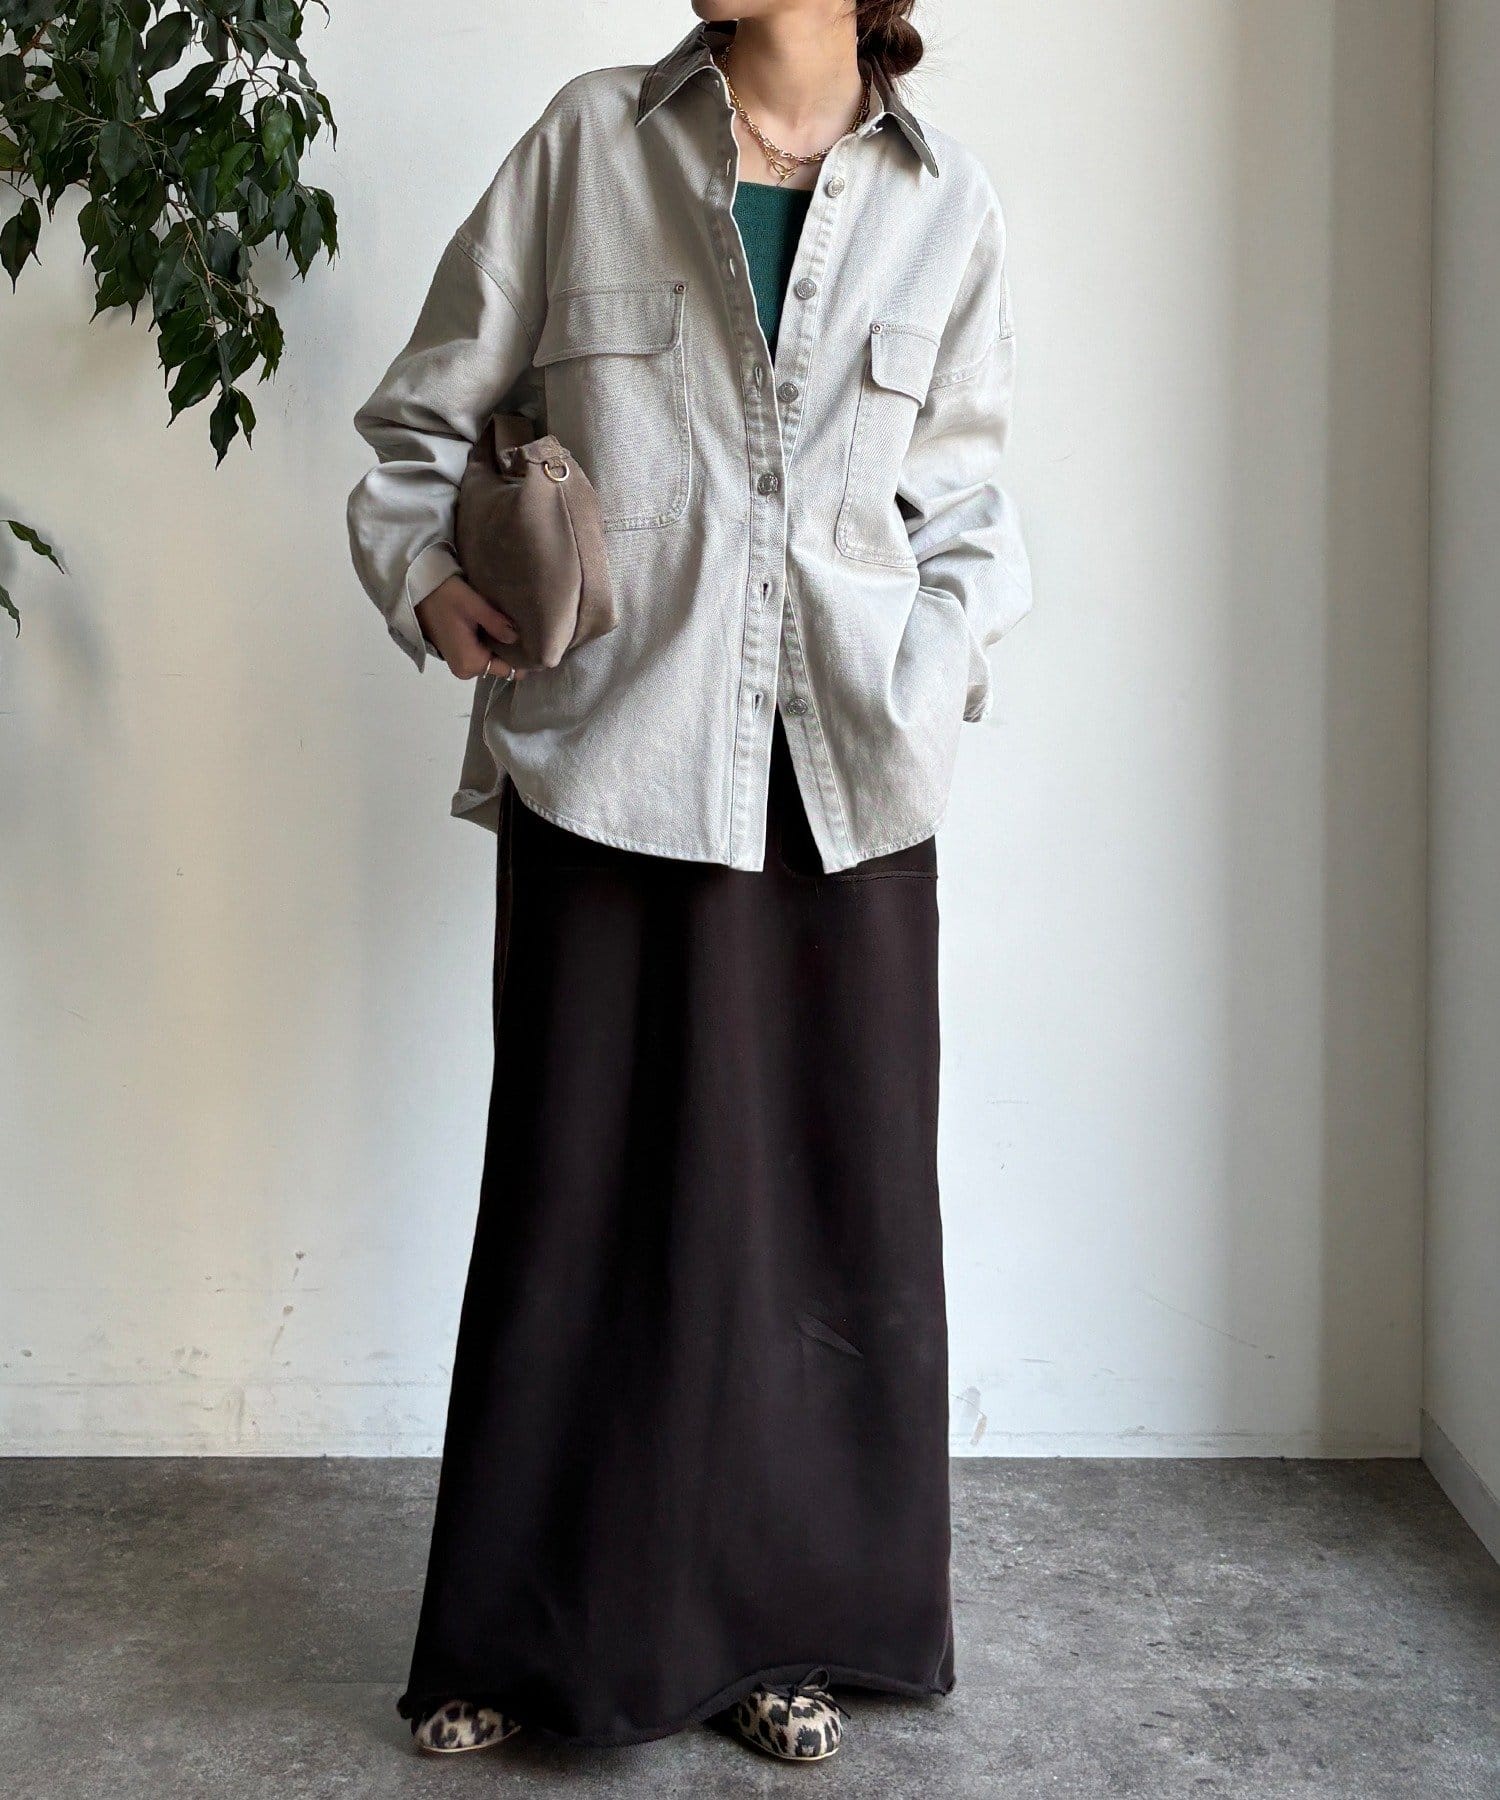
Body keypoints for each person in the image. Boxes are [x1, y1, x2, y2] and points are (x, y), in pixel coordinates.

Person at [346, 0, 1031, 1766]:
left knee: (817, 1226)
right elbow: (422, 419)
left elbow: (970, 513)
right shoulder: (592, 141)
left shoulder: (947, 203)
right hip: (615, 763)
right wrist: (425, 580)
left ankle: (782, 1633)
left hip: (846, 790)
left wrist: (929, 674)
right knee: (576, 1206)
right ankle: (517, 1636)